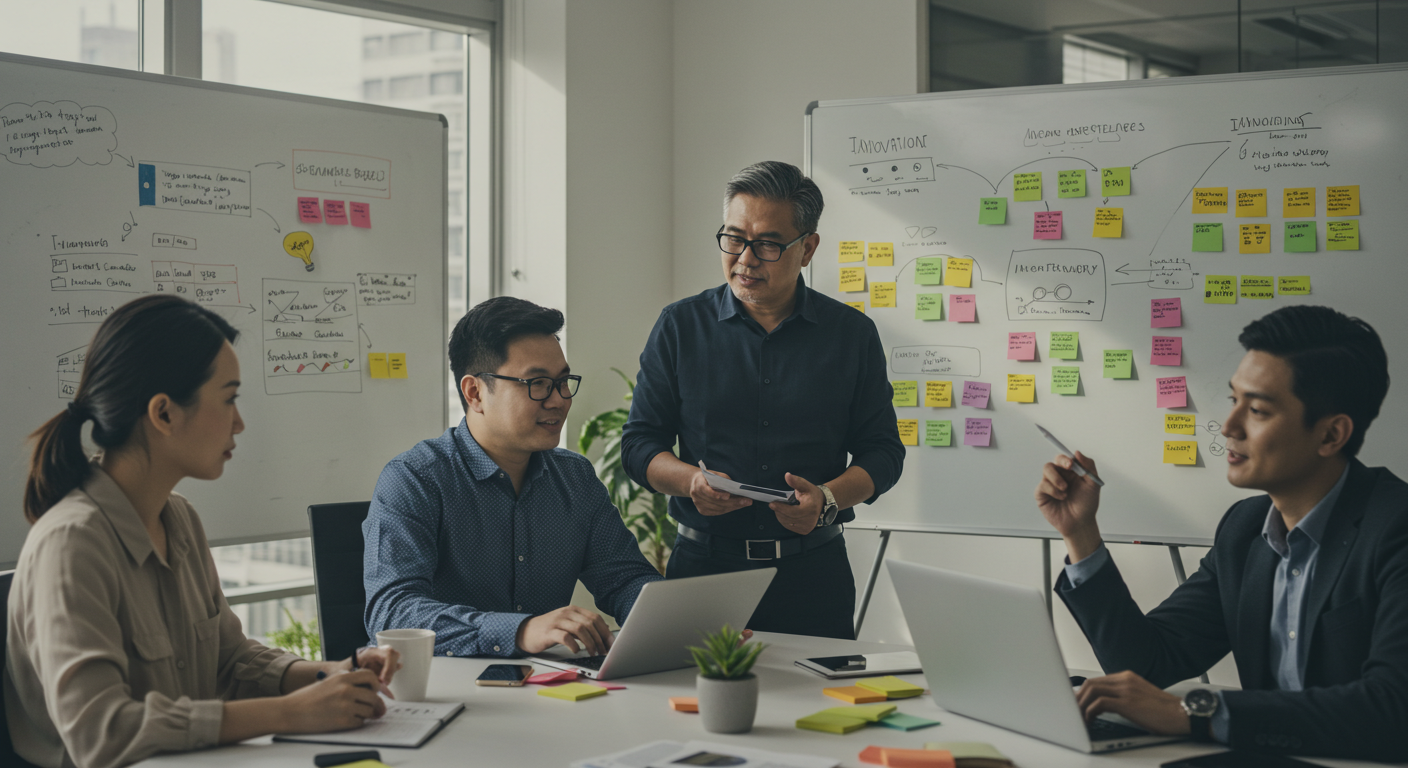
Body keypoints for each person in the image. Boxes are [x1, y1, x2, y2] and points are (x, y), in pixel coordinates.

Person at [4, 295, 400, 768]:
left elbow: (230, 660)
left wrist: (330, 674)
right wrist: (289, 713)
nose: (240, 422)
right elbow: (100, 732)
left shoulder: (180, 519)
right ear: (164, 414)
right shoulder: (71, 543)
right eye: (229, 398)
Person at [1035, 305, 1408, 762]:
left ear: (1331, 435)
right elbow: (1147, 663)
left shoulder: (1396, 528)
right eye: (1233, 401)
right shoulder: (1245, 529)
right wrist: (1081, 533)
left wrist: (1197, 710)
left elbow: (1393, 709)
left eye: (1257, 410)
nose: (1229, 428)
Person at [621, 161, 905, 640]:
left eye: (768, 244)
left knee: (821, 711)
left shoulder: (851, 336)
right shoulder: (680, 327)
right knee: (693, 711)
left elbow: (884, 453)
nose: (745, 259)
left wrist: (827, 499)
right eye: (733, 239)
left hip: (813, 575)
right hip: (704, 570)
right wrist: (692, 481)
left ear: (808, 248)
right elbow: (639, 446)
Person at [363, 297, 661, 659]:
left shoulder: (575, 477)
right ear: (475, 393)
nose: (558, 400)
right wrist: (519, 631)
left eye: (563, 381)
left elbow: (624, 578)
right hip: (440, 690)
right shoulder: (414, 479)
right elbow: (393, 614)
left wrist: (681, 620)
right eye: (537, 383)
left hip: (543, 686)